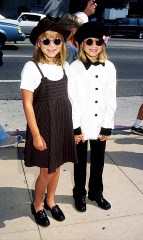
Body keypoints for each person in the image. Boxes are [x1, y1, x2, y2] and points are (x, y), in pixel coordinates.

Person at [20, 17, 78, 227]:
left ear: (64, 43)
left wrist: (75, 129)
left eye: (57, 41)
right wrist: (36, 134)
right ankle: (37, 204)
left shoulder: (65, 66)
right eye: (46, 41)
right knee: (47, 170)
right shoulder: (32, 67)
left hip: (62, 124)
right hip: (44, 125)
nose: (52, 45)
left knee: (58, 166)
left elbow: (71, 99)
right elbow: (27, 104)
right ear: (38, 43)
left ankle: (50, 200)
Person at [68, 22, 117, 212]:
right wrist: (75, 128)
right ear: (81, 44)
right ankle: (79, 193)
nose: (94, 46)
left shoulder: (109, 67)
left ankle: (96, 192)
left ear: (103, 44)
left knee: (98, 161)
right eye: (89, 42)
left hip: (100, 124)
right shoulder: (73, 69)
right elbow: (72, 101)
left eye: (98, 42)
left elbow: (111, 97)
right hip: (81, 123)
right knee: (79, 163)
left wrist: (107, 125)